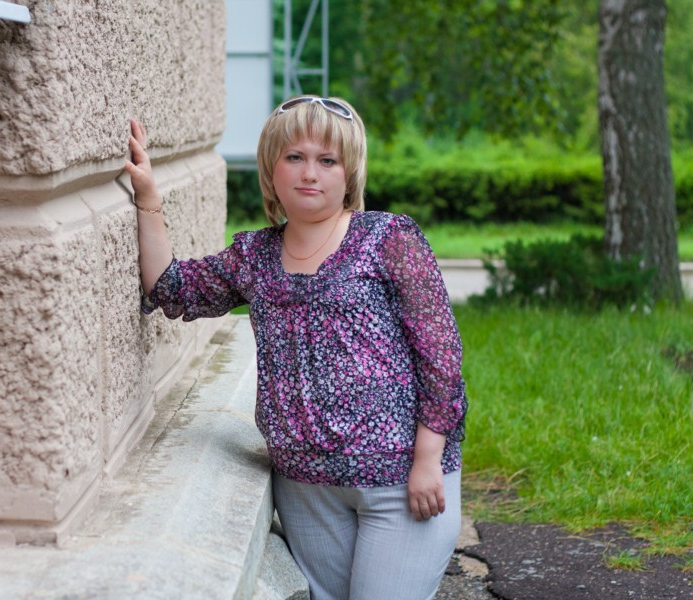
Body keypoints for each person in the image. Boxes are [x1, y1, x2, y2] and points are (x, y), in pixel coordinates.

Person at [123, 96, 467, 600]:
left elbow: (440, 356)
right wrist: (147, 197)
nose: (310, 173)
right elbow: (170, 288)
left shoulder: (388, 239)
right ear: (271, 168)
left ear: (349, 173)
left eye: (327, 160)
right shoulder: (254, 256)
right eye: (295, 157)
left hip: (400, 480)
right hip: (306, 490)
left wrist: (428, 459)